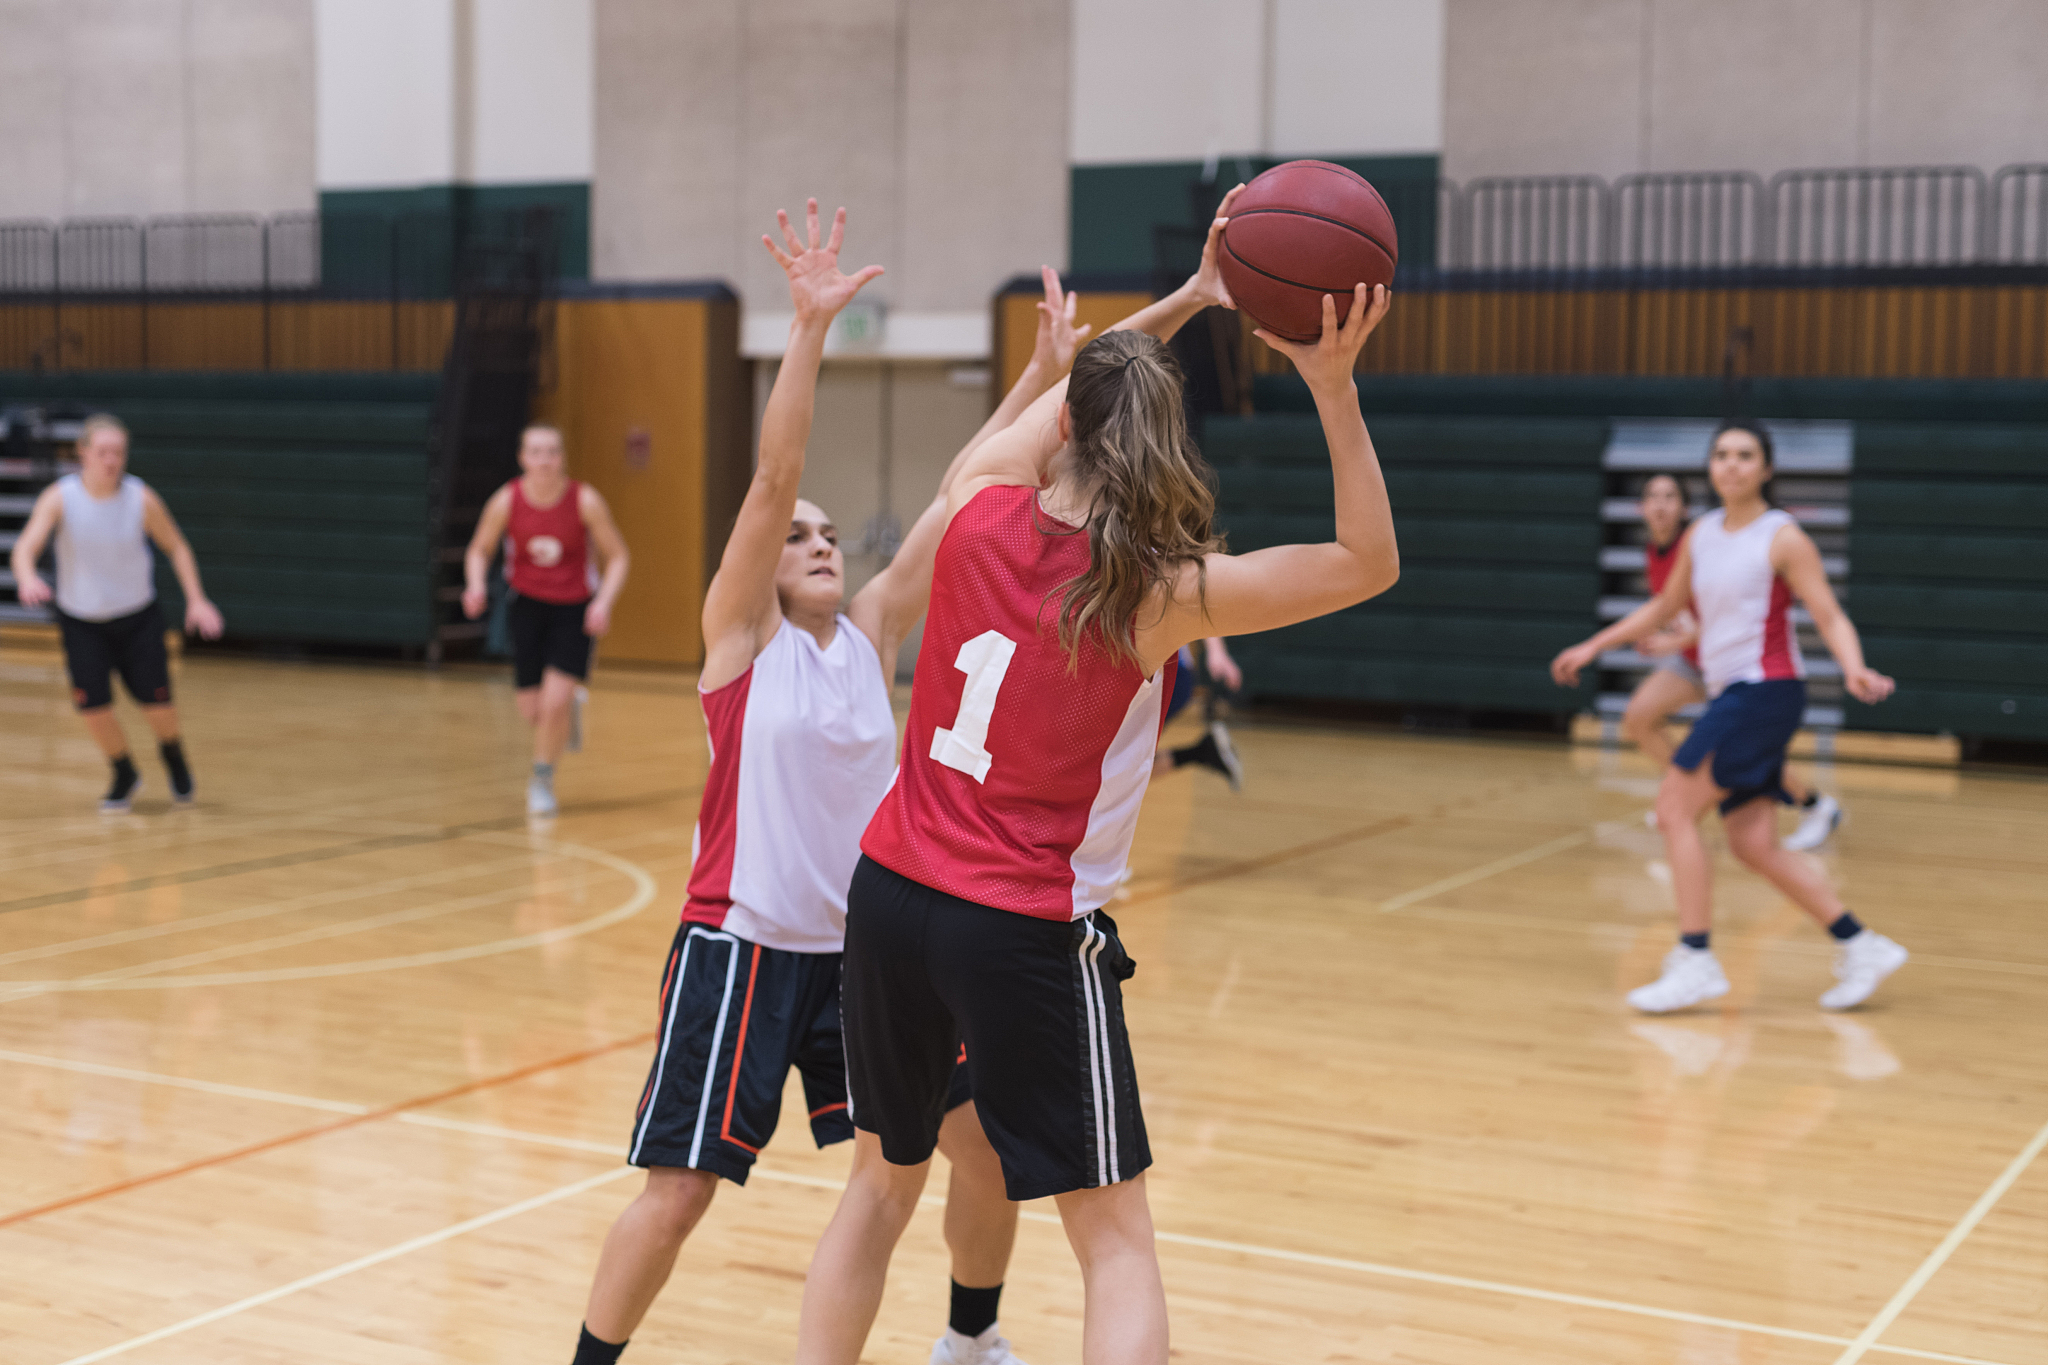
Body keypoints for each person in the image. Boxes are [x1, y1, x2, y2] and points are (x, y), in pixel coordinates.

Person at [795, 187, 1401, 1365]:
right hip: (1014, 923)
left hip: (888, 894)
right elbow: (1363, 561)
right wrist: (1330, 384)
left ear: (1060, 425)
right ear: (1163, 450)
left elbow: (1063, 405)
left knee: (876, 1187)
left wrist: (1186, 296)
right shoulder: (1157, 592)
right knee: (1111, 1234)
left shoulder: (971, 506)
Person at [569, 204, 1091, 1365]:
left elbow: (964, 494)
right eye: (793, 538)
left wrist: (1044, 379)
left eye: (825, 536)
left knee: (975, 1151)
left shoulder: (869, 637)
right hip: (742, 945)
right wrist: (805, 329)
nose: (813, 541)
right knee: (680, 1194)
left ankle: (970, 1338)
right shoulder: (737, 648)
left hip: (870, 956)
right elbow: (770, 479)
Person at [1553, 421, 1907, 1014]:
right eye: (1722, 455)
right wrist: (1593, 647)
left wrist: (1854, 668)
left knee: (1673, 808)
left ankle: (1695, 959)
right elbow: (1664, 608)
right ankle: (1861, 944)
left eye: (1745, 456)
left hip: (1764, 691)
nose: (1732, 465)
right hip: (1734, 694)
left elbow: (1828, 614)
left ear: (1766, 469)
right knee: (1753, 844)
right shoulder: (1700, 533)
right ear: (1711, 467)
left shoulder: (1784, 536)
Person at [11, 414, 224, 811]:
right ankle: (124, 771)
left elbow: (176, 546)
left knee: (157, 707)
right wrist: (26, 578)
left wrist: (197, 599)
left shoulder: (141, 498)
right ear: (84, 453)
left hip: (137, 618)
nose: (111, 460)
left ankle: (173, 754)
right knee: (92, 706)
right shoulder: (61, 497)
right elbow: (25, 547)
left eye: (119, 453)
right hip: (81, 620)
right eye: (103, 452)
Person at [1621, 472, 1844, 851]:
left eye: (1669, 496)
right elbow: (1674, 611)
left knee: (1748, 753)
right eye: (1652, 497)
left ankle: (1816, 805)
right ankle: (1686, 792)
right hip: (1693, 663)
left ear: (1684, 507)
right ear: (1640, 507)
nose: (1660, 505)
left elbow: (1720, 617)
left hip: (1731, 664)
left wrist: (1673, 640)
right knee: (1638, 719)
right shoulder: (1653, 551)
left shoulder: (1698, 544)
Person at [461, 424, 629, 816]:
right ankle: (564, 708)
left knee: (553, 703)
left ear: (562, 457)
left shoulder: (585, 501)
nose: (544, 460)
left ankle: (541, 778)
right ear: (523, 458)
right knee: (533, 710)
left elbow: (618, 555)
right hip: (526, 606)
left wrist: (602, 602)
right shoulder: (506, 501)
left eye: (552, 452)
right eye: (536, 452)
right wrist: (475, 587)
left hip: (573, 609)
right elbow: (479, 550)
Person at [1149, 637, 1245, 788]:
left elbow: (1198, 612)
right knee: (1125, 763)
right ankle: (1201, 753)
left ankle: (1200, 753)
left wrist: (1216, 651)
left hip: (1166, 674)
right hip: (1164, 675)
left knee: (1122, 764)